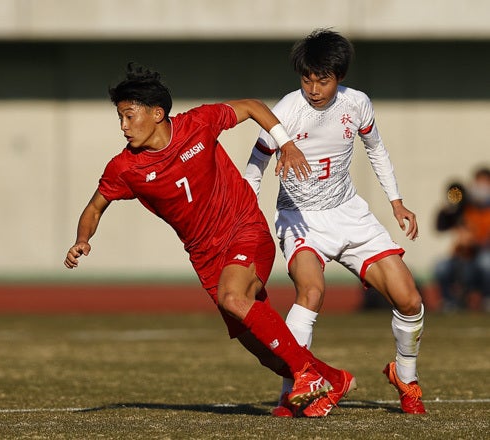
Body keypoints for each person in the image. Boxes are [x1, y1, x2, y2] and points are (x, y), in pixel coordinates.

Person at [64, 62, 354, 416]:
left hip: (244, 229)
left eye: (129, 116)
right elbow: (95, 207)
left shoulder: (197, 124)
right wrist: (82, 239)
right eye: (120, 119)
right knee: (263, 349)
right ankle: (332, 379)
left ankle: (306, 375)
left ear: (157, 113)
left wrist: (286, 144)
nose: (123, 126)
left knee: (233, 297)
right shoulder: (125, 168)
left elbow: (251, 106)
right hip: (206, 258)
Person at [244, 29, 425, 416]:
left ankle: (406, 379)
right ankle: (293, 388)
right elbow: (257, 162)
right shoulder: (288, 110)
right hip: (300, 218)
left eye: (322, 79)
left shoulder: (357, 104)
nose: (313, 88)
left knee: (410, 300)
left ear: (338, 76)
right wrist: (246, 210)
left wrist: (397, 202)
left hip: (350, 214)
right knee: (311, 292)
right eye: (306, 78)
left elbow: (376, 149)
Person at [435, 168, 490, 311]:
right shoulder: (467, 206)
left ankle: (486, 298)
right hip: (461, 254)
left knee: (486, 262)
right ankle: (450, 302)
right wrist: (448, 209)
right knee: (441, 266)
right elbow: (441, 225)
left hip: (481, 253)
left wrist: (474, 241)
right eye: (478, 182)